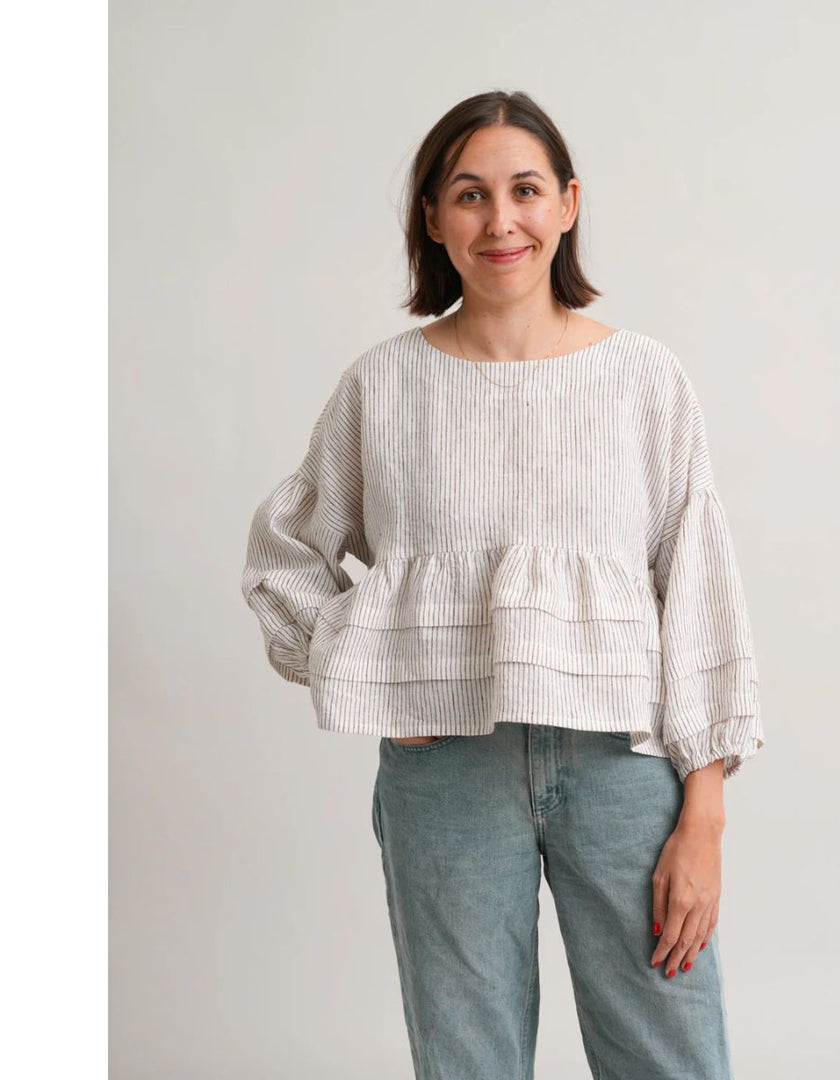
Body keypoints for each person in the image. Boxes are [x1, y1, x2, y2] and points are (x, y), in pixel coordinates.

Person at [241, 89, 764, 1080]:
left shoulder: (646, 380)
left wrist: (704, 816)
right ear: (434, 219)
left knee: (671, 1055)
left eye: (525, 190)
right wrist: (369, 670)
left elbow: (698, 593)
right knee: (465, 1062)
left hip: (624, 767)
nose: (500, 219)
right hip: (447, 774)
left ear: (567, 204)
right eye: (470, 195)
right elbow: (285, 559)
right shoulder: (382, 386)